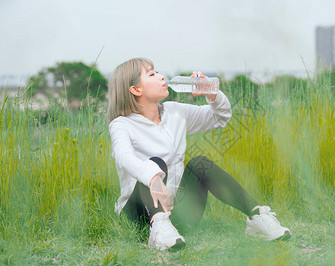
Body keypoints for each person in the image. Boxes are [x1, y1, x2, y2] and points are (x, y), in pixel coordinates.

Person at [107, 57, 291, 250]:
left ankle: (256, 217)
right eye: (152, 74)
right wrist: (153, 178)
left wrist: (212, 93)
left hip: (175, 213)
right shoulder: (121, 124)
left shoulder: (175, 112)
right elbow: (123, 157)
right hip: (138, 216)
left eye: (158, 72)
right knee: (155, 164)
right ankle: (158, 226)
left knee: (200, 163)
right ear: (136, 90)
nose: (162, 77)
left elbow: (219, 118)